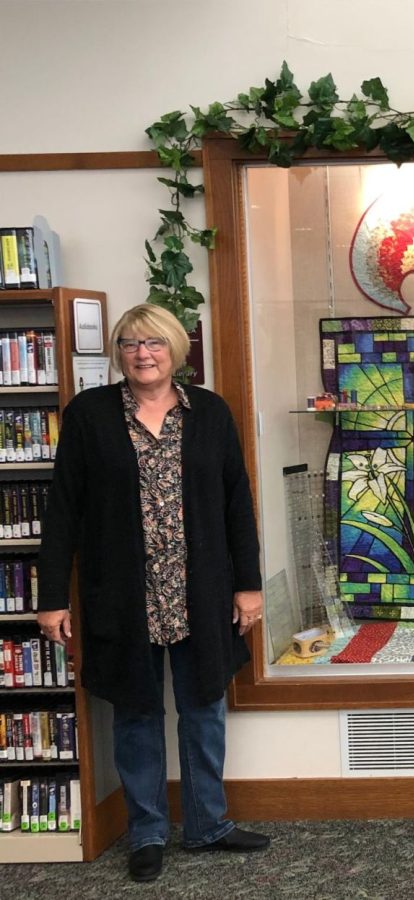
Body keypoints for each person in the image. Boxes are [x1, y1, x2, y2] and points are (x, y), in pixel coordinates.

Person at [36, 304, 270, 882]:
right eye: (131, 343)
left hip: (202, 590)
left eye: (155, 343)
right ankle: (146, 833)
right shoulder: (89, 416)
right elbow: (62, 510)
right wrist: (51, 597)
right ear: (118, 353)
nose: (143, 353)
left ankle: (208, 824)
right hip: (122, 593)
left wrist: (248, 585)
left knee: (204, 709)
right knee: (136, 713)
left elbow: (236, 501)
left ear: (175, 351)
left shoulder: (210, 412)